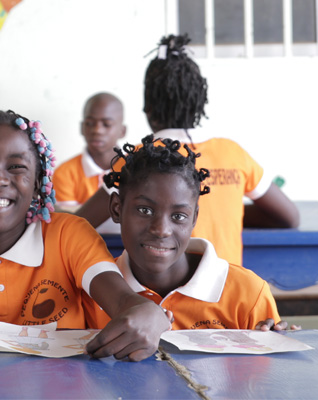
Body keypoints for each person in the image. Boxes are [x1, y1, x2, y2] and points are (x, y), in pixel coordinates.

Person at [0, 109, 170, 362]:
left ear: (38, 183)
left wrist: (145, 312)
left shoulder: (69, 235)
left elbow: (121, 299)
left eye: (16, 167)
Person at [75, 34, 299, 266]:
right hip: (227, 289)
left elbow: (78, 223)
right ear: (198, 102)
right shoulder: (233, 153)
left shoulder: (140, 158)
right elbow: (289, 217)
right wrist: (229, 211)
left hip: (163, 291)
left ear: (148, 107)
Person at [85, 135, 296, 331]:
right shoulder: (91, 293)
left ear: (194, 218)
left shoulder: (247, 293)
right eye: (145, 210)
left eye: (178, 216)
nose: (161, 230)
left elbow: (268, 368)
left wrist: (279, 347)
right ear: (116, 209)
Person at [53, 92, 127, 209]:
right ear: (82, 128)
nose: (97, 130)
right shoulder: (65, 173)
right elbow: (68, 224)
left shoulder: (135, 169)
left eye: (106, 124)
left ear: (122, 131)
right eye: (90, 123)